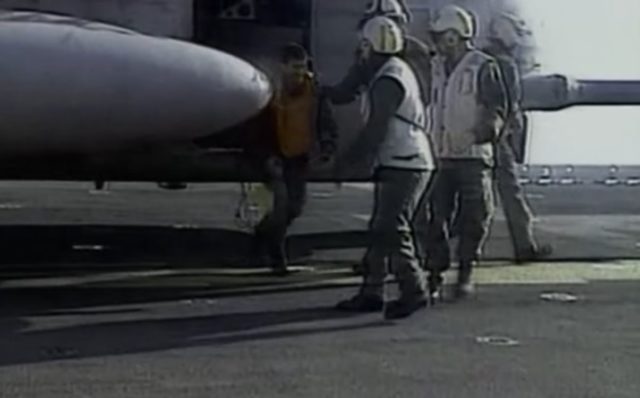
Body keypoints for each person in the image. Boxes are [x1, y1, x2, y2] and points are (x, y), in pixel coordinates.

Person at [332, 16, 436, 320]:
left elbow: (375, 130)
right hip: (403, 160)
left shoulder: (387, 80)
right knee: (381, 227)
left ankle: (413, 289)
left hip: (404, 163)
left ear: (367, 46)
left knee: (392, 228)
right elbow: (345, 91)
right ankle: (372, 291)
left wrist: (347, 162)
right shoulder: (391, 70)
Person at [424, 5, 508, 300]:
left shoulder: (483, 66)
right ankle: (434, 273)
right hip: (441, 154)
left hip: (473, 156)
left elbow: (496, 107)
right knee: (436, 218)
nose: (436, 42)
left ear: (453, 36)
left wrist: (483, 132)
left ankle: (465, 270)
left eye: (440, 36)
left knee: (475, 215)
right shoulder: (435, 66)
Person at [251, 43, 337, 275]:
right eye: (294, 67)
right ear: (283, 67)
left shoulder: (315, 92)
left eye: (302, 67)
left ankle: (263, 234)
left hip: (299, 158)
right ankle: (277, 259)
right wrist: (265, 155)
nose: (299, 72)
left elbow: (326, 122)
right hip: (275, 158)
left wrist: (328, 147)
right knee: (281, 206)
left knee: (295, 207)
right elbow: (258, 127)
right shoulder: (269, 91)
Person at [484, 13, 552, 263]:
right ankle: (524, 246)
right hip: (497, 139)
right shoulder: (506, 64)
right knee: (512, 194)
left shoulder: (479, 60)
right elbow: (510, 107)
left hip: (471, 136)